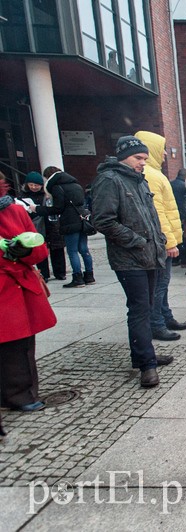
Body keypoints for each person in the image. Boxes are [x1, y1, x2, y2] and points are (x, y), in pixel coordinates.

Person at [91, 135, 172, 388]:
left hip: (148, 256)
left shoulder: (139, 180)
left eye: (145, 159)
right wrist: (137, 240)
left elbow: (151, 216)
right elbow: (103, 221)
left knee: (146, 309)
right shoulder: (109, 180)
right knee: (139, 311)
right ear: (123, 156)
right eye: (138, 158)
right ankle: (146, 366)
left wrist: (158, 240)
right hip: (129, 259)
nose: (142, 163)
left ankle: (144, 354)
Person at [0, 173, 57, 429]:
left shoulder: (13, 210)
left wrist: (24, 251)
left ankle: (21, 394)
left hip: (13, 289)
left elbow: (38, 248)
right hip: (7, 284)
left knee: (18, 345)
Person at [134, 131, 186, 341]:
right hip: (161, 243)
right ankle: (156, 324)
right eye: (162, 149)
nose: (166, 153)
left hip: (163, 241)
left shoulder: (155, 173)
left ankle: (166, 316)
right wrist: (169, 242)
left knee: (162, 285)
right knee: (159, 285)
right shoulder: (150, 175)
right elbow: (158, 214)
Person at [32, 167, 95, 288]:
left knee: (72, 251)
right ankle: (89, 275)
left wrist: (38, 209)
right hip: (81, 219)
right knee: (84, 249)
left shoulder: (57, 187)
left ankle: (78, 278)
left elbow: (58, 208)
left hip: (69, 221)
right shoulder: (76, 184)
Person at [19, 172, 66, 283]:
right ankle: (43, 273)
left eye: (36, 185)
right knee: (40, 249)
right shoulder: (23, 196)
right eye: (31, 185)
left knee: (57, 248)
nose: (34, 187)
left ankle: (60, 272)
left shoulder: (48, 193)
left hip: (51, 223)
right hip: (36, 224)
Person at [171, 168, 186, 267]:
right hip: (182, 215)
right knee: (184, 238)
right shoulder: (185, 187)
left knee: (174, 238)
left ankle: (175, 259)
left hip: (172, 214)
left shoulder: (170, 184)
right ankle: (184, 260)